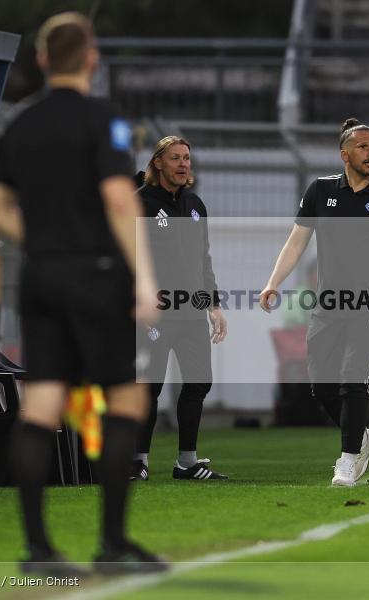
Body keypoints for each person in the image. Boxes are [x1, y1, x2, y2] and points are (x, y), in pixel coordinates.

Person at [0, 12, 165, 574]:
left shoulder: (20, 125)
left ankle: (38, 549)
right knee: (126, 399)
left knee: (41, 405)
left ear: (40, 61)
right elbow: (118, 198)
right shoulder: (104, 120)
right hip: (95, 274)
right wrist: (145, 277)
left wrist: (36, 240)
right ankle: (112, 543)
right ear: (92, 59)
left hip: (39, 275)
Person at [259, 118, 369, 487]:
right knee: (320, 385)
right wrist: (273, 282)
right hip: (329, 304)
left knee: (354, 378)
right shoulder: (320, 192)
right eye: (364, 147)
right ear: (345, 153)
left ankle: (348, 459)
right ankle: (363, 436)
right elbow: (296, 242)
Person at [133, 136, 229, 482]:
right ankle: (137, 460)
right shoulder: (139, 203)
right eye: (175, 158)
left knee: (199, 382)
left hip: (191, 313)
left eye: (187, 157)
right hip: (155, 313)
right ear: (158, 163)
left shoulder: (195, 204)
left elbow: (203, 259)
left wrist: (214, 305)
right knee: (149, 386)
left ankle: (187, 462)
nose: (183, 164)